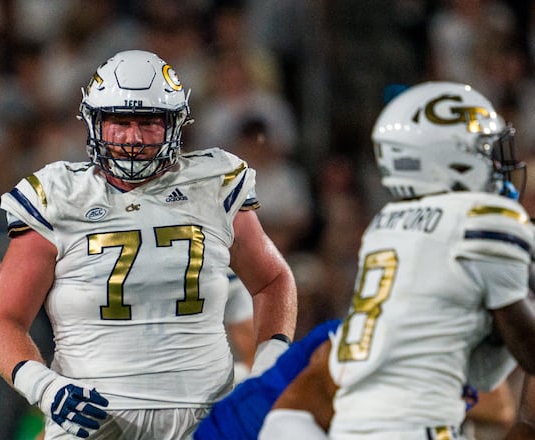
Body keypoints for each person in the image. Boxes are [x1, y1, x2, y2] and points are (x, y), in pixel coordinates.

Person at [0, 49, 298, 440]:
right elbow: (2, 319)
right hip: (91, 418)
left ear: (175, 124)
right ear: (95, 122)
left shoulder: (213, 184)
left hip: (203, 418)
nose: (133, 138)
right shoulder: (59, 195)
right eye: (119, 122)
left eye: (149, 123)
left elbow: (272, 281)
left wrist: (268, 370)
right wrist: (44, 387)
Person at [195, 81, 535, 440]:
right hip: (416, 425)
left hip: (352, 422)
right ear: (450, 157)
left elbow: (482, 372)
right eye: (485, 150)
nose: (499, 163)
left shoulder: (386, 223)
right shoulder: (482, 219)